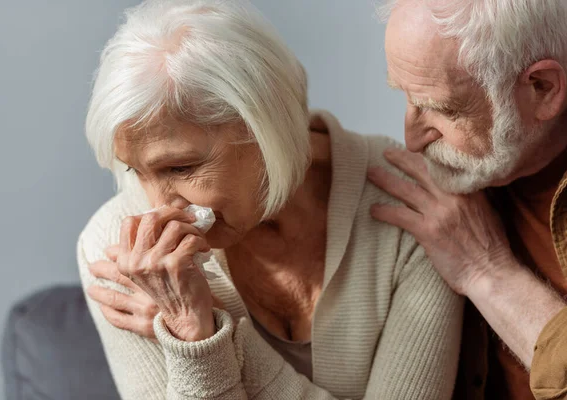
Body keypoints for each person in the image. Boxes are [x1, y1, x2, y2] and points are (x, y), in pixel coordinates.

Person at [78, 0, 463, 399]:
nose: (160, 206)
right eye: (134, 171)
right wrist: (195, 340)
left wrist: (209, 333)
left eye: (180, 169)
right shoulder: (122, 256)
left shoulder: (411, 207)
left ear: (266, 127)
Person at [370, 1, 567, 399]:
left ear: (542, 88)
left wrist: (486, 272)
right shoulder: (479, 170)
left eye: (443, 110)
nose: (412, 140)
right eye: (407, 97)